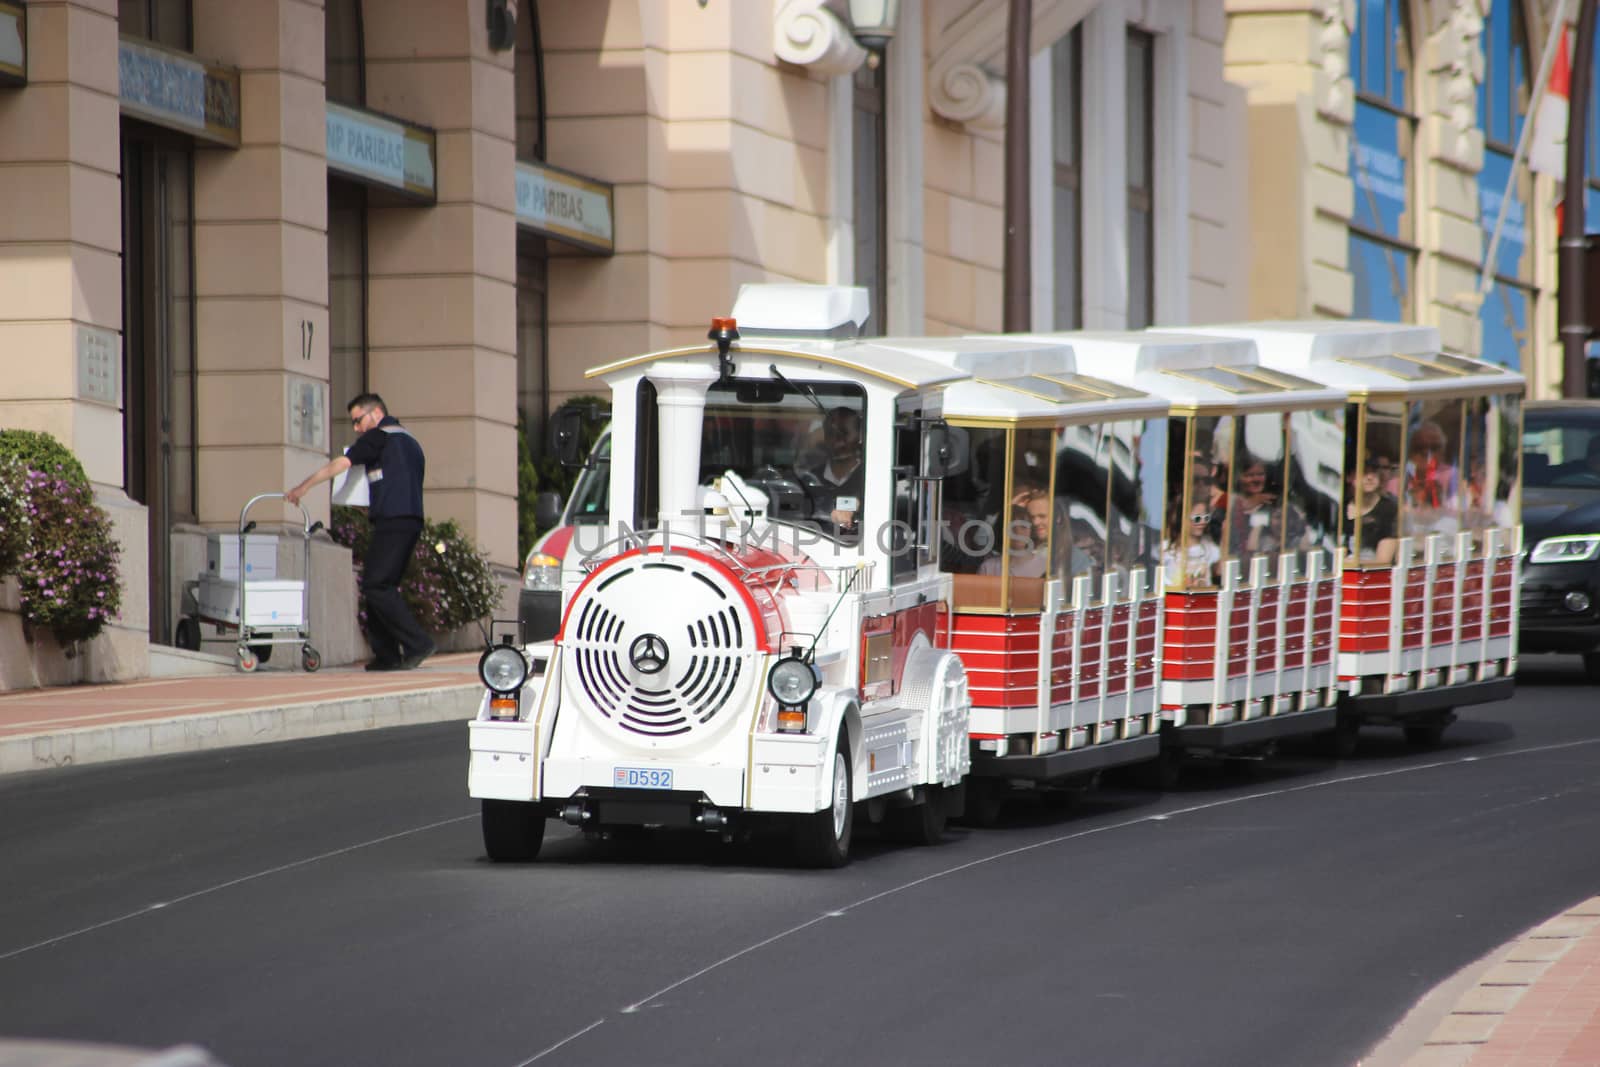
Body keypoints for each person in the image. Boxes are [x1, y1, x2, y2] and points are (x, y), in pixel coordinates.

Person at [287, 393, 435, 671]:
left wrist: (303, 487)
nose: (356, 428)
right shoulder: (410, 442)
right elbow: (395, 481)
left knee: (376, 585)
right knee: (379, 585)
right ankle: (387, 655)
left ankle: (417, 643)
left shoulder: (379, 436)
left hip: (393, 521)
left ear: (376, 413)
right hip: (410, 520)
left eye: (358, 420)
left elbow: (340, 464)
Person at [799, 406, 865, 537]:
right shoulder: (809, 479)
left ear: (860, 437)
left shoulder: (871, 479)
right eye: (831, 435)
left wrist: (858, 509)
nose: (837, 443)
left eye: (844, 434)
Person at [1343, 455, 1398, 565]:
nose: (1370, 477)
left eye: (1374, 472)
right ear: (1349, 476)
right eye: (1363, 472)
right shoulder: (1340, 508)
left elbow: (1383, 560)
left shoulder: (1388, 509)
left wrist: (1345, 563)